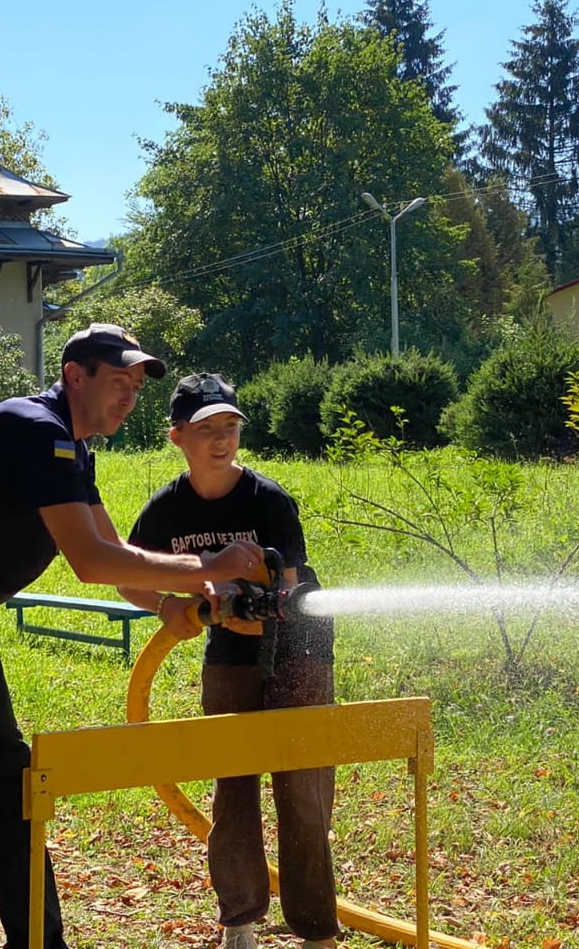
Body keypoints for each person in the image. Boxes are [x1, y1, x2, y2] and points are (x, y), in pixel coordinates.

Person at [0, 324, 264, 949]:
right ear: (76, 375)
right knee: (10, 781)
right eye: (119, 381)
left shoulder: (70, 448)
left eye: (136, 386)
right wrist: (210, 567)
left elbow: (115, 550)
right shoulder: (35, 430)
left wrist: (169, 604)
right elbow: (92, 562)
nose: (130, 397)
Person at [118, 372, 339, 949]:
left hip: (299, 652)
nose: (221, 440)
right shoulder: (166, 510)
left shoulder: (270, 501)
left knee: (304, 791)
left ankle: (317, 932)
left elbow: (286, 585)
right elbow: (128, 578)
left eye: (230, 427)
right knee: (232, 785)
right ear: (177, 438)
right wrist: (170, 605)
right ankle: (239, 922)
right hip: (228, 655)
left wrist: (262, 612)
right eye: (206, 429)